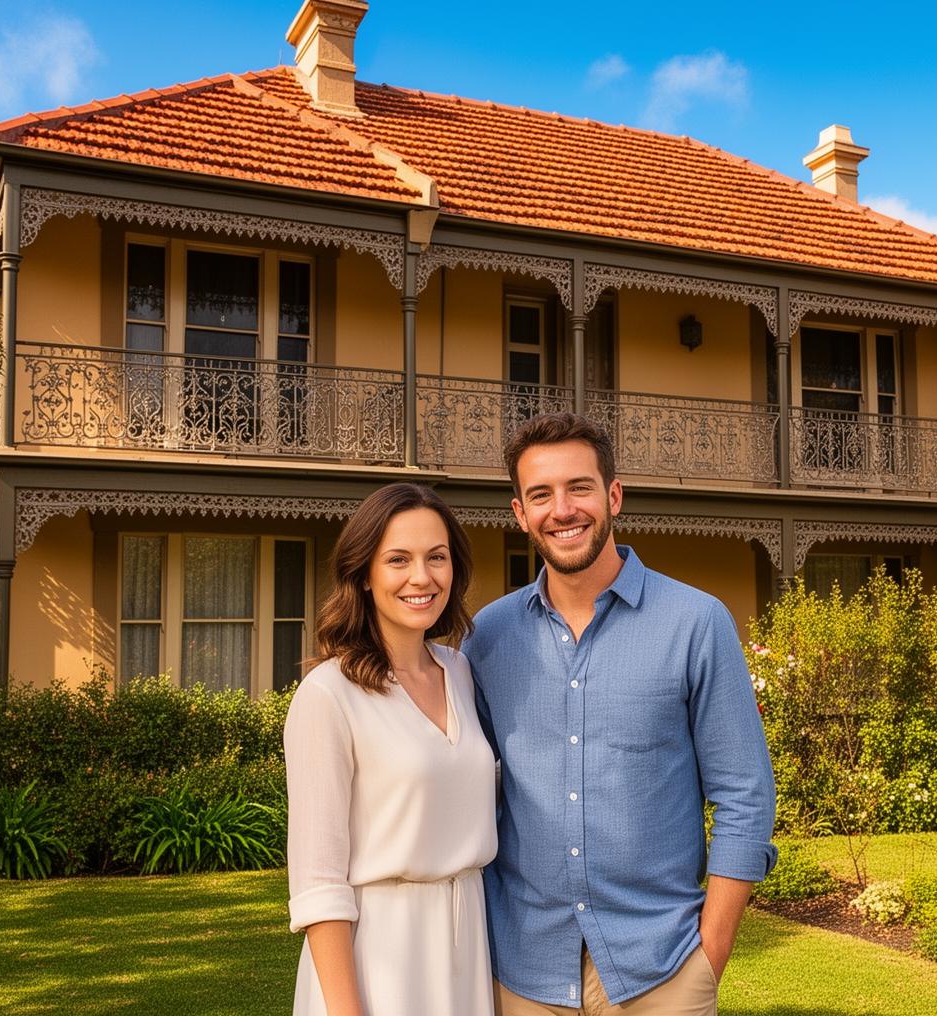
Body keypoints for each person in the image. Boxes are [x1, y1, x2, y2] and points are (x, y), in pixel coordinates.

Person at [469, 412, 777, 1015]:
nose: (562, 509)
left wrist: (708, 958)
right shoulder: (489, 637)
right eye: (541, 494)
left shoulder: (696, 622)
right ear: (520, 513)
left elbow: (745, 794)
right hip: (523, 973)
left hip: (662, 971)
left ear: (613, 495)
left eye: (579, 487)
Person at [285, 482, 497, 1016]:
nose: (421, 577)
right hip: (379, 954)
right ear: (363, 574)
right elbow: (317, 880)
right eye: (398, 559)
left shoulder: (461, 672)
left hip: (468, 941)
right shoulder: (328, 695)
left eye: (437, 557)